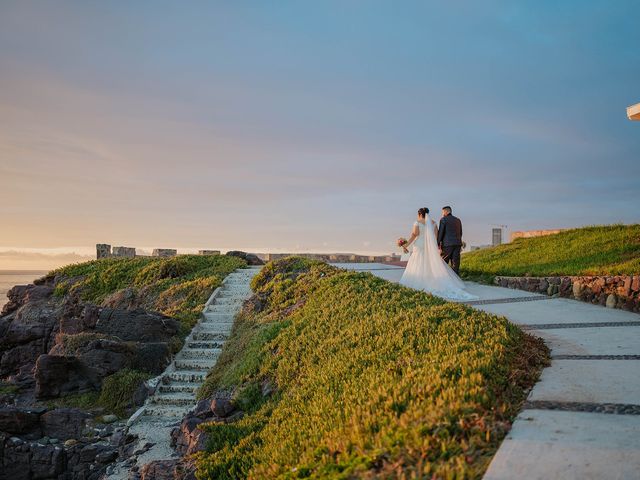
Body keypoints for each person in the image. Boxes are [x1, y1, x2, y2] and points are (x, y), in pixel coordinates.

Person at [399, 207, 476, 301]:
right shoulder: (434, 223)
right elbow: (436, 237)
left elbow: (414, 235)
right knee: (433, 263)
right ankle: (444, 280)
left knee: (419, 262)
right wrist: (436, 247)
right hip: (435, 246)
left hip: (419, 245)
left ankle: (421, 280)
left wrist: (406, 245)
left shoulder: (417, 222)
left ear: (419, 214)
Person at [437, 206, 463, 275]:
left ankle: (444, 278)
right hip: (457, 244)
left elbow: (441, 233)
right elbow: (460, 233)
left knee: (444, 263)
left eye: (442, 212)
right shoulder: (458, 220)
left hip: (447, 245)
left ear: (446, 211)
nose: (442, 213)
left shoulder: (443, 219)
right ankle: (456, 281)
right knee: (455, 263)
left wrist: (437, 243)